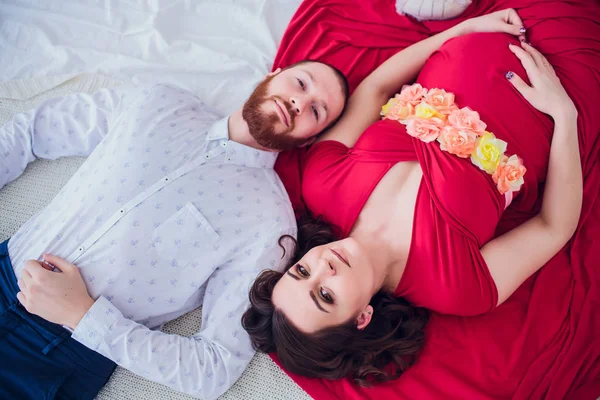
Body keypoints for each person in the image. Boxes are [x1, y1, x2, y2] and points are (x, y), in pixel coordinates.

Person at [242, 9, 583, 385]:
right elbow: (554, 227)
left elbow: (374, 90)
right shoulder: (457, 289)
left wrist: (462, 30)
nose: (324, 266)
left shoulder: (321, 185)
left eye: (302, 270)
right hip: (562, 82)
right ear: (361, 318)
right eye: (325, 294)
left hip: (481, 31)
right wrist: (564, 113)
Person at [0, 60, 348, 399]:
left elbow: (216, 367)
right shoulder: (159, 102)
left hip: (58, 353)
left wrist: (86, 317)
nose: (299, 103)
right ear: (273, 75)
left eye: (317, 110)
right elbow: (32, 131)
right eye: (301, 84)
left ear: (307, 141)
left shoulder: (270, 224)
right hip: (6, 270)